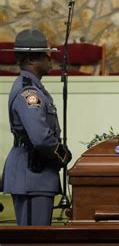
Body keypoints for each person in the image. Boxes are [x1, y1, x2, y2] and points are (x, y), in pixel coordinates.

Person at [1, 29, 71, 226]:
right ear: (31, 59)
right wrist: (61, 154)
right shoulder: (29, 93)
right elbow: (40, 137)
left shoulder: (34, 87)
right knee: (34, 239)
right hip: (32, 175)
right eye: (45, 55)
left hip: (35, 173)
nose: (51, 60)